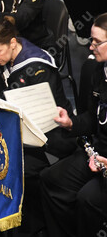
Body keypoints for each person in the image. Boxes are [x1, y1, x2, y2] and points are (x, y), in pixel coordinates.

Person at [0, 17, 74, 235]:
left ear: (12, 43)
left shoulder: (38, 67)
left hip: (48, 138)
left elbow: (45, 117)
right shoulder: (6, 59)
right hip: (18, 130)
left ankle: (23, 225)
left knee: (3, 161)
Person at [41, 13, 107, 237]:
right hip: (98, 153)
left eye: (97, 42)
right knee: (50, 179)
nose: (91, 47)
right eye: (91, 40)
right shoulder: (99, 70)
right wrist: (71, 123)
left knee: (87, 199)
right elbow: (92, 118)